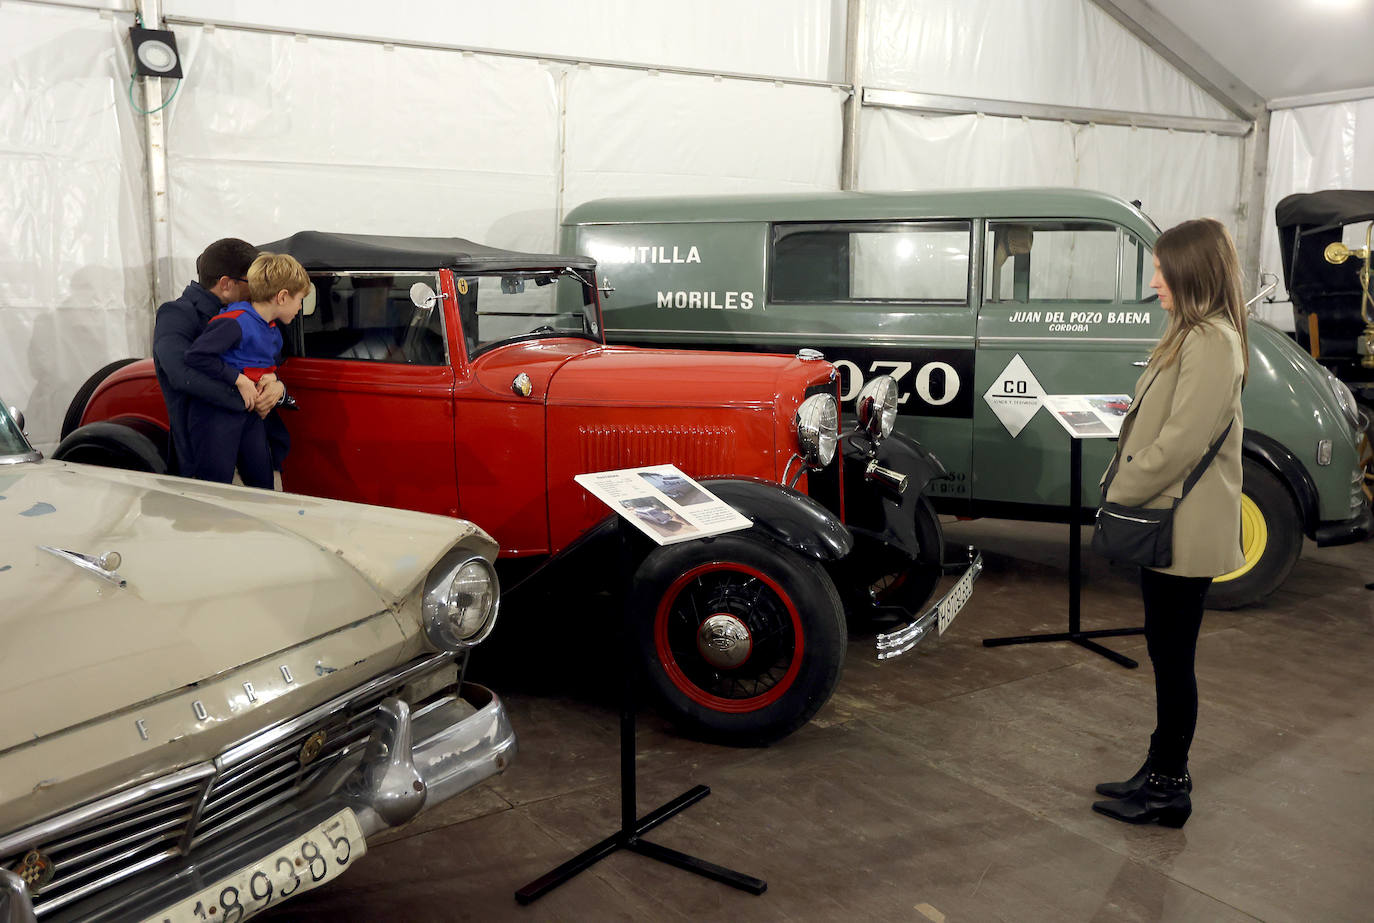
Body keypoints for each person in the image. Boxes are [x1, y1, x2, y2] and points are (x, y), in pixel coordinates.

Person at [1091, 218, 1248, 828]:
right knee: (1165, 652)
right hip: (1172, 521)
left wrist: (1119, 490)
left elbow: (1182, 441)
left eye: (1161, 269)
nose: (1153, 281)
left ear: (1191, 272)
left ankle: (1168, 789)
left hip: (1184, 526)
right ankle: (1156, 772)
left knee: (1174, 659)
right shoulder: (1193, 335)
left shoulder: (1211, 341)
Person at [152, 238, 289, 476]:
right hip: (203, 447)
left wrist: (276, 385)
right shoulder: (177, 313)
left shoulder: (250, 314)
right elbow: (180, 374)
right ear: (226, 284)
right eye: (252, 281)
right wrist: (245, 393)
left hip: (253, 439)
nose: (258, 288)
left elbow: (267, 361)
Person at [182, 253, 309, 488]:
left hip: (248, 414)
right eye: (300, 299)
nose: (300, 307)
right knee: (215, 484)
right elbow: (197, 356)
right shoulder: (236, 321)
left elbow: (264, 364)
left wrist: (271, 379)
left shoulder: (271, 329)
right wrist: (237, 378)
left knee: (261, 481)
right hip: (216, 416)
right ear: (282, 297)